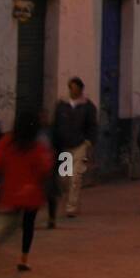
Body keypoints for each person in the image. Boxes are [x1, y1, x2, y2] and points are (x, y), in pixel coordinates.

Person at [0, 109, 54, 271]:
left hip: (11, 191)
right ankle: (23, 259)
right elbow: (45, 168)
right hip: (31, 193)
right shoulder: (38, 145)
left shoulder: (7, 141)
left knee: (10, 224)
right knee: (28, 225)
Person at [50, 77, 97, 223]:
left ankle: (71, 207)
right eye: (71, 88)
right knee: (64, 178)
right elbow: (55, 124)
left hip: (80, 145)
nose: (74, 91)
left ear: (80, 89)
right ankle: (67, 202)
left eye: (76, 88)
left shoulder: (88, 106)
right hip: (64, 146)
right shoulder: (62, 105)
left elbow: (92, 125)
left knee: (76, 177)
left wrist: (89, 141)